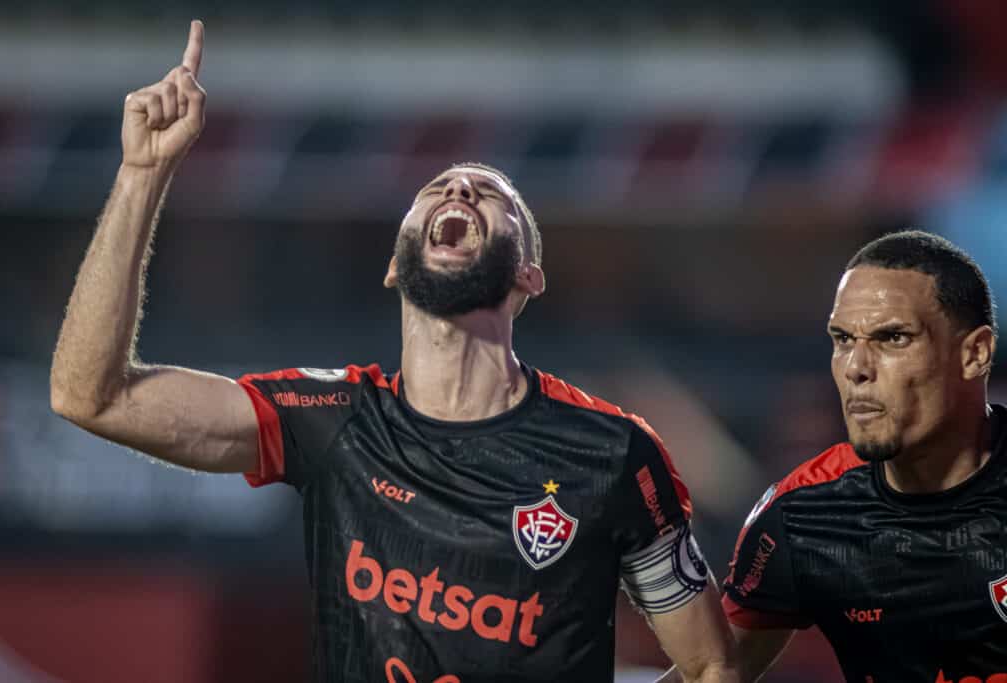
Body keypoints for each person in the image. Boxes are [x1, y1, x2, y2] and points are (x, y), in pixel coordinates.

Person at [49, 21, 740, 683]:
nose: (459, 187)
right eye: (435, 188)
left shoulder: (613, 453)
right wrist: (142, 173)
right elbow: (91, 395)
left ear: (529, 274)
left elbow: (712, 664)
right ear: (393, 263)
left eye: (490, 194)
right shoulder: (332, 420)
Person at [663, 230, 1007, 683]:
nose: (855, 367)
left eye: (893, 338)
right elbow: (715, 670)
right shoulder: (803, 513)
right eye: (843, 339)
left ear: (974, 353)